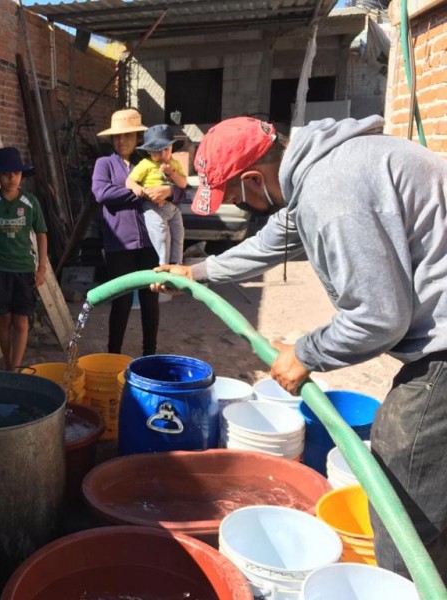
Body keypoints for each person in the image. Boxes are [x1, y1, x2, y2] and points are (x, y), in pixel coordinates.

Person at [153, 115, 447, 579]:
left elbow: (378, 317)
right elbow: (275, 240)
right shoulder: (323, 169)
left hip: (443, 356)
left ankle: (412, 585)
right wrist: (199, 274)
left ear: (254, 178)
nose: (236, 205)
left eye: (233, 196)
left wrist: (306, 353)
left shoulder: (333, 193)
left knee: (402, 504)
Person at [93, 109, 187, 356]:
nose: (121, 141)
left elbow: (180, 192)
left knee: (150, 299)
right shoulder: (104, 164)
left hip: (150, 243)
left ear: (137, 138)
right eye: (117, 137)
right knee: (121, 302)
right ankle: (113, 354)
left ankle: (149, 354)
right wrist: (145, 193)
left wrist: (168, 192)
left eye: (127, 136)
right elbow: (103, 193)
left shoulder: (150, 161)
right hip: (119, 243)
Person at [0, 147, 48, 371]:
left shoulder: (31, 203)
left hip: (25, 269)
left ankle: (15, 368)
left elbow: (42, 235)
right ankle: (9, 365)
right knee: (4, 320)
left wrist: (42, 267)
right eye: (6, 173)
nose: (12, 178)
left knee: (22, 321)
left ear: (22, 175)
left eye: (16, 173)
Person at [126, 123, 187, 265]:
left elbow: (183, 184)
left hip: (172, 207)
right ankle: (163, 264)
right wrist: (136, 187)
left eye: (166, 149)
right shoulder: (145, 164)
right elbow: (129, 180)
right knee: (162, 236)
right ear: (148, 151)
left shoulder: (174, 163)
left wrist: (171, 173)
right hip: (154, 207)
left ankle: (176, 263)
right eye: (157, 151)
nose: (163, 154)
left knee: (179, 235)